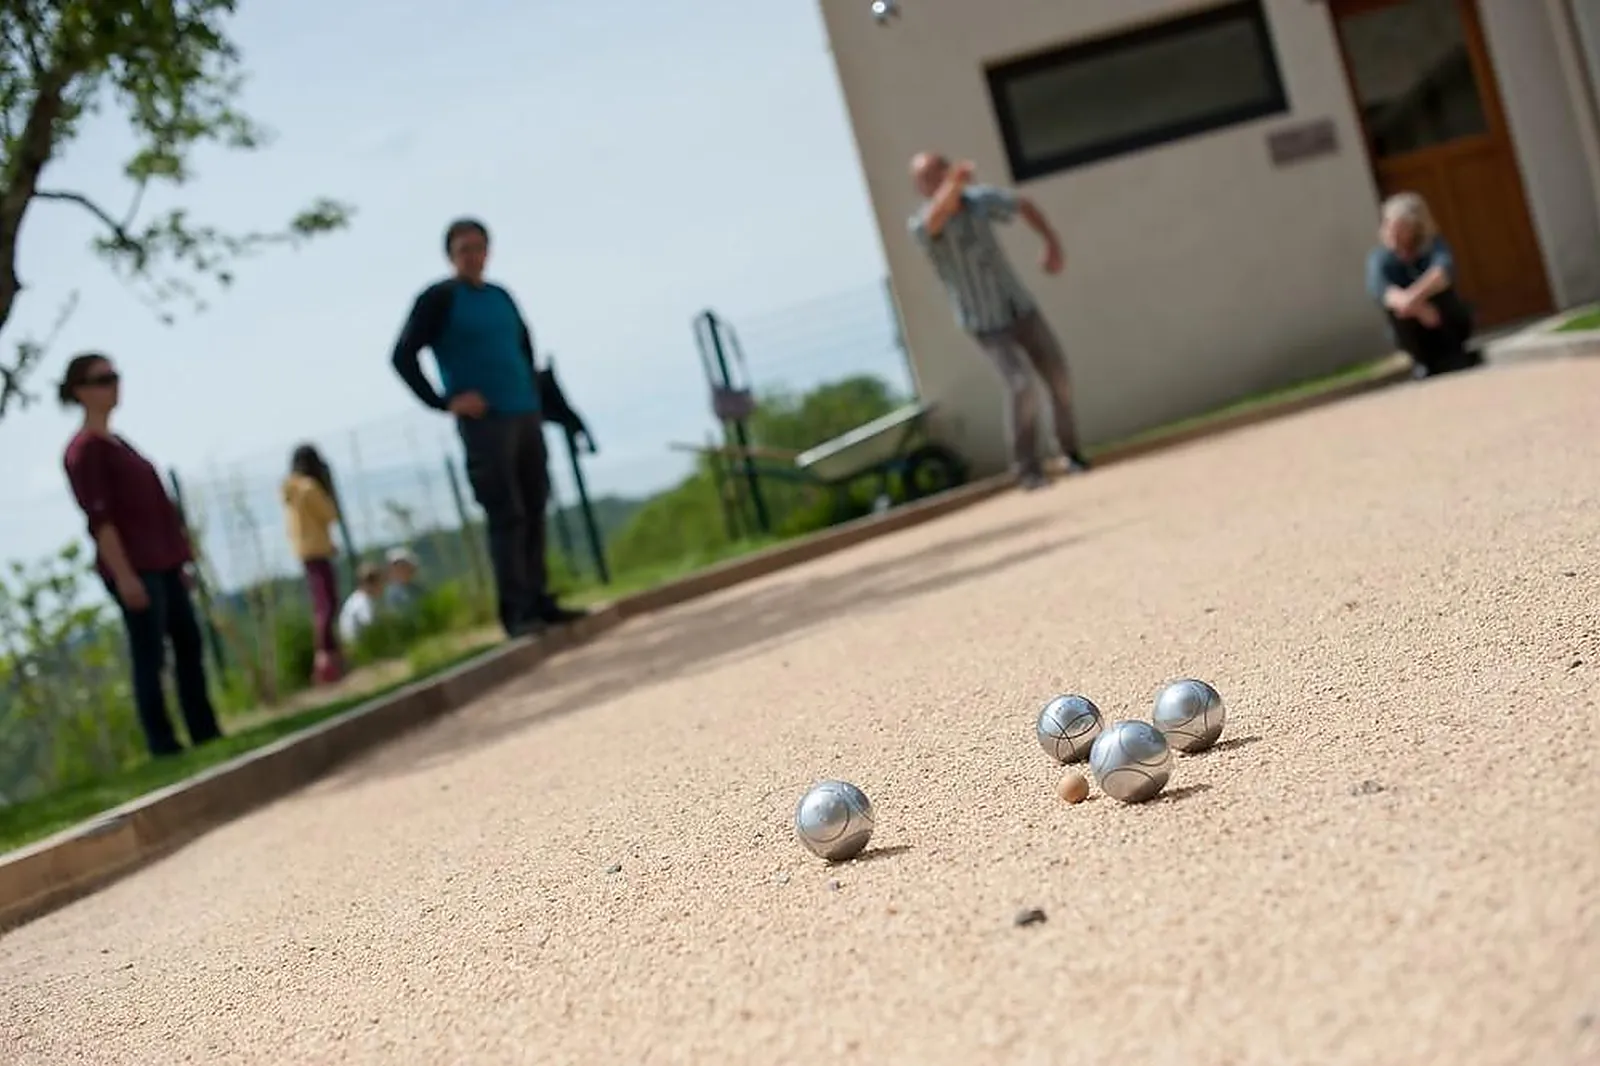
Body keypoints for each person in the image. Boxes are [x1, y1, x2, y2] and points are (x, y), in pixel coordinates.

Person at [389, 217, 585, 638]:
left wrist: (536, 398)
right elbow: (403, 356)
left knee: (535, 506)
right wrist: (445, 402)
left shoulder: (501, 297)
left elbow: (524, 347)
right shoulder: (438, 299)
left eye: (479, 247)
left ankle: (540, 599)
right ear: (450, 256)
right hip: (485, 424)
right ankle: (516, 613)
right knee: (507, 513)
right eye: (464, 249)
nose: (474, 256)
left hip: (524, 413)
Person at [58, 353, 223, 758]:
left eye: (115, 376)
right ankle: (163, 744)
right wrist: (125, 575)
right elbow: (101, 520)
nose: (113, 385)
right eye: (102, 379)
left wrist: (179, 556)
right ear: (80, 391)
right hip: (135, 567)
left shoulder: (119, 442)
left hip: (164, 562)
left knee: (188, 645)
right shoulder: (85, 451)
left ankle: (204, 731)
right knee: (150, 656)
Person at [907, 152, 1089, 491]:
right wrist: (953, 185)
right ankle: (1028, 471)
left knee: (1058, 377)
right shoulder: (921, 224)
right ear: (920, 187)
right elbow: (935, 219)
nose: (936, 182)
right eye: (927, 179)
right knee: (1021, 386)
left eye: (939, 173)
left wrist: (1050, 242)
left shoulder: (978, 201)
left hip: (1019, 306)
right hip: (985, 321)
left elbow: (1022, 205)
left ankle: (1070, 454)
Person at [1366, 192, 1479, 380]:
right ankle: (1422, 362)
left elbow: (1442, 274)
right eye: (1389, 225)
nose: (1393, 232)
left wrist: (1415, 298)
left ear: (1415, 228)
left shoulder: (1434, 246)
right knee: (1396, 311)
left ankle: (1454, 354)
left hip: (1446, 325)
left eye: (1400, 227)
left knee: (1443, 296)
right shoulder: (1379, 259)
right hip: (1413, 326)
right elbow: (1385, 293)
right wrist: (1418, 308)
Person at [282, 444, 345, 685]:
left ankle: (330, 655)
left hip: (305, 549)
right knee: (328, 603)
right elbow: (329, 514)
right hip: (318, 549)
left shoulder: (291, 490)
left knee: (323, 603)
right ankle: (327, 656)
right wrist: (328, 487)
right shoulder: (309, 488)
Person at [338, 563, 386, 647]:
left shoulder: (356, 598)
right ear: (370, 584)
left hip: (352, 645)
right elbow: (372, 629)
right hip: (359, 648)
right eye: (381, 582)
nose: (383, 586)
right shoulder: (363, 602)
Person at [384, 547, 424, 613]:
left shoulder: (418, 589)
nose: (400, 570)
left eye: (403, 566)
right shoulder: (393, 593)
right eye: (397, 567)